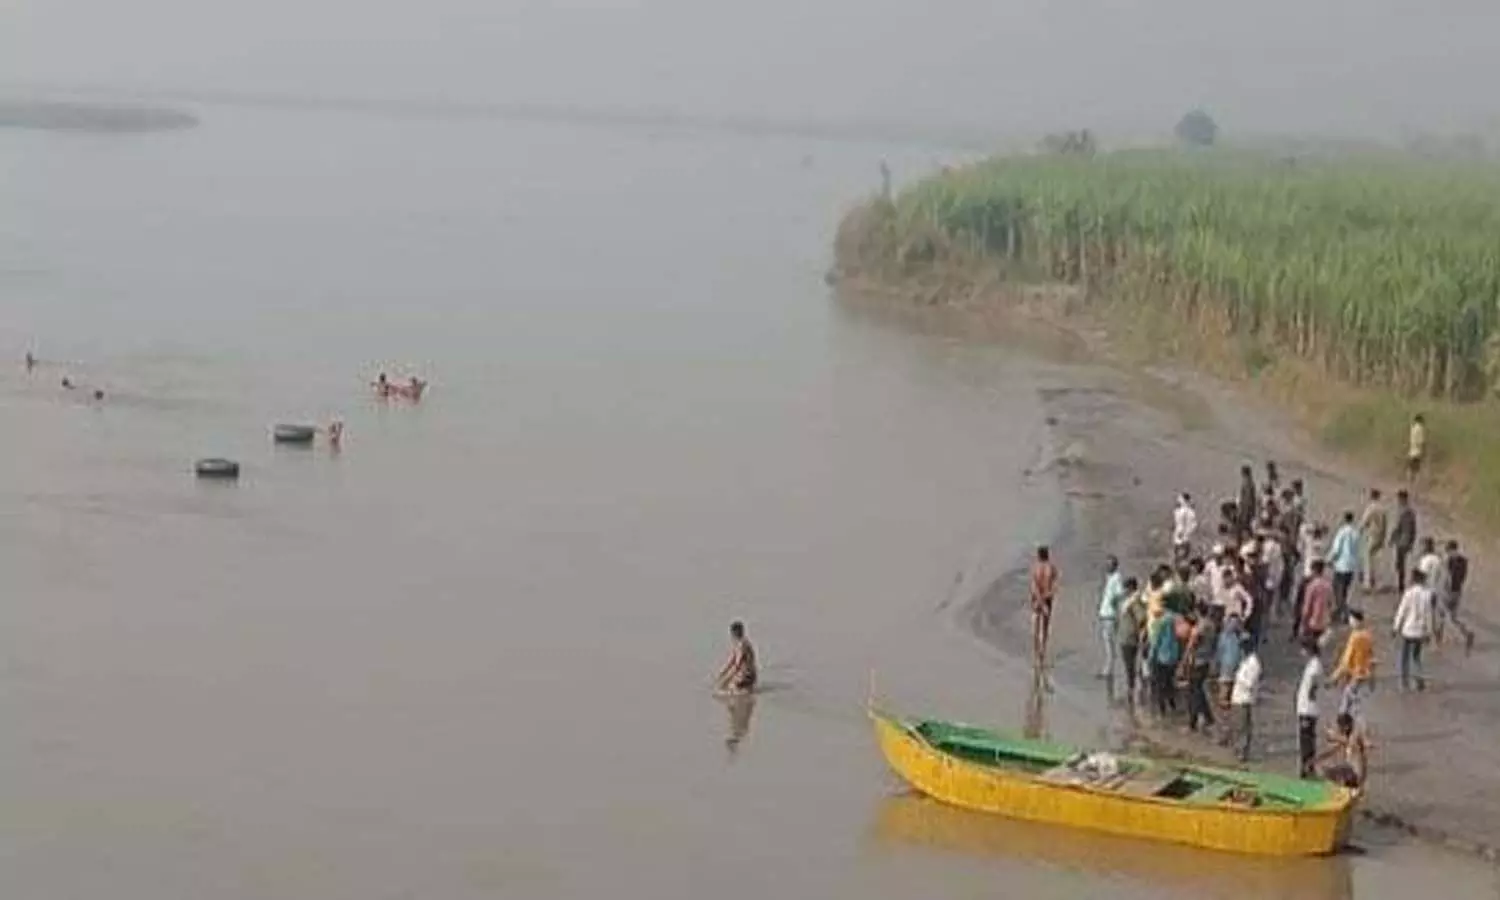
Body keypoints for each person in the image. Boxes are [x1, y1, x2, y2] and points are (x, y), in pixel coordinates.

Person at [1393, 569, 1435, 692]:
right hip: (1420, 630)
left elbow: (1402, 611)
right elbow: (1429, 615)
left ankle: (1404, 680)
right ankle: (1419, 679)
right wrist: (1429, 631)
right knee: (1417, 656)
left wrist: (1396, 627)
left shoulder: (1409, 593)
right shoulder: (1427, 594)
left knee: (1404, 656)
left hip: (1408, 629)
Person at [1331, 609, 1374, 720]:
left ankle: (1350, 729)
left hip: (1356, 674)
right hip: (1364, 674)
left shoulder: (1355, 637)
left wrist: (1335, 676)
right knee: (1351, 702)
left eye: (1351, 619)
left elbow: (1347, 660)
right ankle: (1347, 728)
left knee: (1350, 704)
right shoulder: (1367, 635)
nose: (1350, 621)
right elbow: (1370, 656)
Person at [1225, 638, 1261, 762]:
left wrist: (1239, 679)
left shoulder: (1253, 664)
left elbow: (1250, 683)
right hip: (1238, 697)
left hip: (1245, 698)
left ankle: (1242, 752)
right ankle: (1237, 749)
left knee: (1243, 726)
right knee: (1237, 725)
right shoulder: (1245, 661)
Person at [1184, 606, 1217, 733]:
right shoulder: (1212, 625)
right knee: (1199, 691)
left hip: (1197, 662)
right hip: (1206, 661)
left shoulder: (1200, 627)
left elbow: (1191, 645)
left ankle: (1192, 722)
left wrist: (1184, 662)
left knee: (1194, 692)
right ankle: (1208, 718)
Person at [1317, 713, 1370, 790]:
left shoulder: (1355, 735)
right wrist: (1317, 759)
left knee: (1334, 772)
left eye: (1339, 727)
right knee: (1323, 769)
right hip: (1351, 771)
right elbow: (1333, 749)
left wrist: (1335, 736)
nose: (1338, 729)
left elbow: (1350, 743)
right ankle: (1340, 788)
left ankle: (1344, 789)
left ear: (1346, 727)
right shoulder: (1345, 737)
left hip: (1356, 774)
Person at [1296, 637, 1324, 778]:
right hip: (1306, 708)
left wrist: (1309, 702)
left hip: (1308, 709)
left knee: (1306, 741)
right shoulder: (1312, 664)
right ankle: (1307, 766)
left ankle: (1307, 767)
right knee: (1306, 740)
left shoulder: (1314, 666)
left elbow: (1313, 687)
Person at [1150, 602, 1183, 718]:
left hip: (1161, 656)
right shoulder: (1177, 619)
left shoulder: (1161, 622)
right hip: (1173, 656)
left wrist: (1151, 657)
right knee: (1170, 682)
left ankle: (1162, 709)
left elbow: (1156, 642)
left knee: (1160, 684)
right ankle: (1172, 705)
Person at [1117, 576, 1145, 704]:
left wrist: (1136, 631)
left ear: (1131, 588)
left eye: (1125, 588)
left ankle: (1131, 689)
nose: (1124, 590)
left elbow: (1141, 618)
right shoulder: (1129, 601)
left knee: (1130, 664)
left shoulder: (1134, 602)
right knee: (1129, 664)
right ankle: (1133, 687)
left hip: (1129, 638)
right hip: (1126, 636)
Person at [1029, 546, 1059, 668]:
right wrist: (1046, 598)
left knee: (1036, 628)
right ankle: (1043, 653)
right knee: (1045, 628)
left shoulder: (1035, 568)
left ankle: (1037, 656)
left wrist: (1039, 600)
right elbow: (1055, 586)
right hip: (1047, 599)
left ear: (1038, 555)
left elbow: (1033, 586)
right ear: (1047, 554)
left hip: (1037, 599)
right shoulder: (1051, 568)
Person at [1328, 512, 1360, 622]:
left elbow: (1336, 549)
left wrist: (1329, 560)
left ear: (1344, 519)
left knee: (1337, 591)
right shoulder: (1356, 533)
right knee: (1344, 591)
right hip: (1351, 566)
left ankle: (1344, 613)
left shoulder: (1341, 532)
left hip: (1341, 566)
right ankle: (1340, 612)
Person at [1097, 556, 1126, 679]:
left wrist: (1114, 601)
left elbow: (1120, 593)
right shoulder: (1108, 578)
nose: (1107, 567)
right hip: (1105, 614)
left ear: (1114, 566)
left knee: (1109, 643)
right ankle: (1108, 668)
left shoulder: (1117, 578)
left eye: (1109, 564)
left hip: (1110, 615)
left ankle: (1109, 670)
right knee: (1106, 641)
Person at [1445, 540, 1476, 654]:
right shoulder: (1463, 561)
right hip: (1458, 590)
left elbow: (1448, 577)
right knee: (1451, 616)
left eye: (1448, 550)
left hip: (1451, 591)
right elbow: (1463, 577)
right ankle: (1463, 633)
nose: (1448, 553)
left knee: (1447, 615)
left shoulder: (1452, 561)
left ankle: (1465, 633)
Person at [1416, 537, 1448, 643]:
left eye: (1422, 546)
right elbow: (1442, 575)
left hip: (1426, 590)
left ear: (1426, 547)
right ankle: (1438, 633)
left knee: (1426, 614)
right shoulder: (1437, 559)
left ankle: (1430, 636)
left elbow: (1422, 575)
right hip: (1436, 590)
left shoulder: (1425, 560)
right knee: (1433, 613)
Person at [714, 621, 758, 694]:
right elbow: (730, 662)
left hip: (746, 675)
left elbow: (737, 665)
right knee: (725, 688)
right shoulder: (737, 645)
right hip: (747, 675)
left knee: (728, 690)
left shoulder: (742, 645)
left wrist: (726, 678)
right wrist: (721, 674)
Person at [1359, 489, 1388, 593]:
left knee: (1367, 558)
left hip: (1372, 534)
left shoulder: (1371, 508)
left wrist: (1360, 530)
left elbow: (1365, 521)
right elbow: (1385, 524)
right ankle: (1379, 582)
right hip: (1380, 535)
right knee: (1377, 560)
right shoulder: (1382, 508)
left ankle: (1368, 583)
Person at [1300, 559, 1333, 648]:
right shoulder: (1328, 585)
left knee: (1311, 646)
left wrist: (1303, 621)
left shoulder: (1311, 586)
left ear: (1313, 571)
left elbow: (1307, 606)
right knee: (1320, 646)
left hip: (1313, 621)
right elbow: (1332, 604)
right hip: (1324, 620)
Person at [1215, 611, 1243, 709]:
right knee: (1227, 682)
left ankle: (1224, 700)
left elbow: (1220, 649)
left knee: (1227, 682)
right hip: (1229, 661)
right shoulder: (1230, 636)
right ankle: (1224, 700)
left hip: (1230, 661)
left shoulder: (1232, 636)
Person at [1392, 490, 1418, 593]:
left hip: (1401, 541)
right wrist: (1412, 542)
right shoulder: (1411, 513)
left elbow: (1398, 527)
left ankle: (1401, 584)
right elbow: (1414, 529)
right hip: (1407, 541)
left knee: (1399, 563)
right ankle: (1402, 583)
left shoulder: (1402, 511)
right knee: (1401, 563)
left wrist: (1392, 538)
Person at [1172, 494, 1199, 564]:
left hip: (1182, 536)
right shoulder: (1182, 511)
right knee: (1180, 553)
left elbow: (1191, 524)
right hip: (1181, 536)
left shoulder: (1185, 511)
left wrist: (1184, 533)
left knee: (1181, 553)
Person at [1237, 465, 1259, 541]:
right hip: (1248, 509)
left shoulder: (1247, 483)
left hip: (1246, 509)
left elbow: (1247, 499)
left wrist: (1243, 511)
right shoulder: (1250, 482)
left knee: (1245, 526)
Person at [1407, 413, 1427, 484]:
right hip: (1418, 452)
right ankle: (1416, 489)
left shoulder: (1412, 428)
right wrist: (1424, 452)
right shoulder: (1420, 428)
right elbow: (1421, 442)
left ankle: (1409, 486)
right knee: (1417, 471)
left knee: (1410, 470)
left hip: (1411, 452)